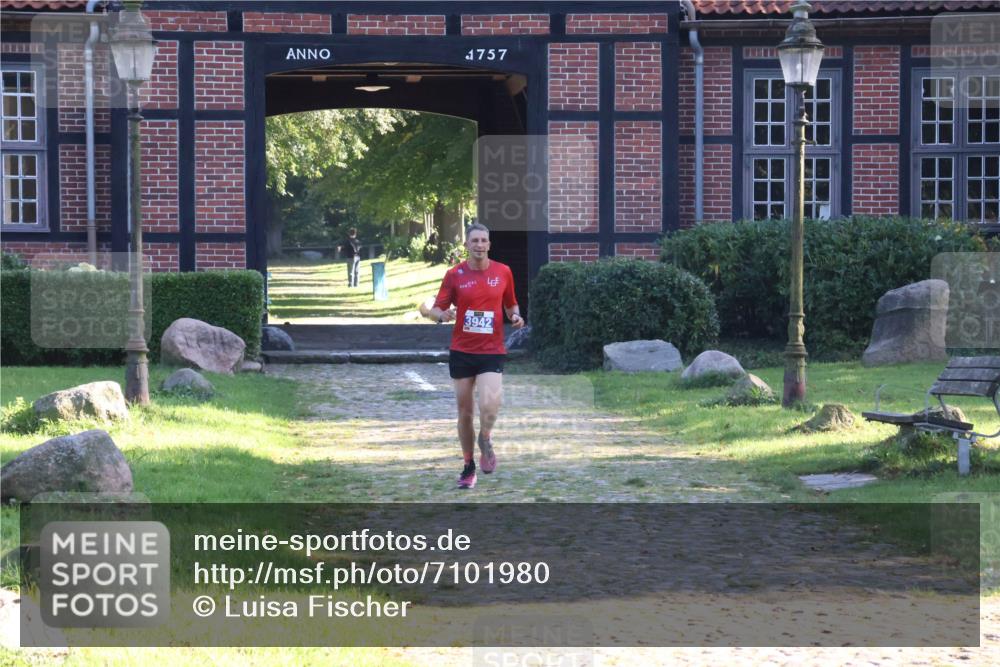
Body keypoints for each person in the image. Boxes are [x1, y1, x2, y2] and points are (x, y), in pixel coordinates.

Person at [424, 223, 525, 489]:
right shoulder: (454, 274)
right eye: (475, 241)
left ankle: (486, 437)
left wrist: (515, 315)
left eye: (483, 240)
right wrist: (442, 315)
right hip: (462, 351)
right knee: (465, 412)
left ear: (489, 244)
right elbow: (436, 309)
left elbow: (510, 303)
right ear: (467, 245)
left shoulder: (503, 271)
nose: (479, 245)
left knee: (490, 406)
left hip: (491, 350)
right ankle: (468, 466)